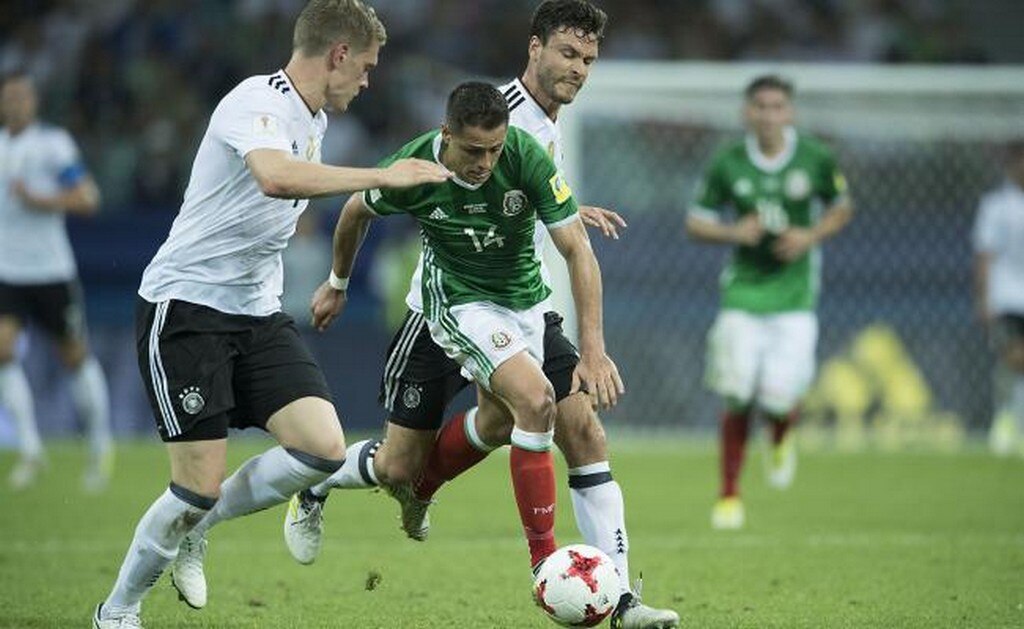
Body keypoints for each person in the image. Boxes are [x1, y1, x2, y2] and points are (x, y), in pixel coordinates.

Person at [284, 3, 679, 626]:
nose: (578, 71)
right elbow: (369, 205)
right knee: (398, 465)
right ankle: (325, 480)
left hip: (523, 302)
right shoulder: (488, 120)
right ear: (534, 49)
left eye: (588, 60)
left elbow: (537, 202)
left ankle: (620, 598)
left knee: (571, 426)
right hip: (444, 307)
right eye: (568, 56)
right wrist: (337, 281)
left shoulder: (534, 132)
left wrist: (574, 208)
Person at [92, 2, 449, 626]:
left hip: (255, 313)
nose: (367, 82)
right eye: (363, 67)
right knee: (194, 486)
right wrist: (384, 177)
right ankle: (117, 611)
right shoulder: (256, 99)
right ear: (337, 54)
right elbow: (275, 179)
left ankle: (199, 530)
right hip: (187, 309)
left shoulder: (312, 119)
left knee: (322, 449)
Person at [686, 74, 854, 531]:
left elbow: (841, 206)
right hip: (743, 291)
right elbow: (696, 222)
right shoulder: (728, 162)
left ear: (790, 112)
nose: (768, 114)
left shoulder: (815, 158)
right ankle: (728, 495)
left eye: (777, 106)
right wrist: (734, 232)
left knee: (779, 398)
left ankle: (781, 434)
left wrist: (809, 236)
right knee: (737, 392)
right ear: (747, 112)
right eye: (760, 106)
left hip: (796, 295)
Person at [0, 70, 113, 492]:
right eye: (8, 97)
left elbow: (88, 198)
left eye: (21, 97)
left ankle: (100, 446)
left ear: (33, 102)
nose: (15, 104)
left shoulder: (52, 145)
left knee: (73, 356)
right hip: (7, 272)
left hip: (50, 271)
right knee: (3, 350)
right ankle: (30, 449)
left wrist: (38, 199)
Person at [973, 140, 1024, 457]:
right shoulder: (996, 205)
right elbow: (984, 256)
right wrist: (983, 298)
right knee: (1014, 356)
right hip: (1006, 295)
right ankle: (1006, 419)